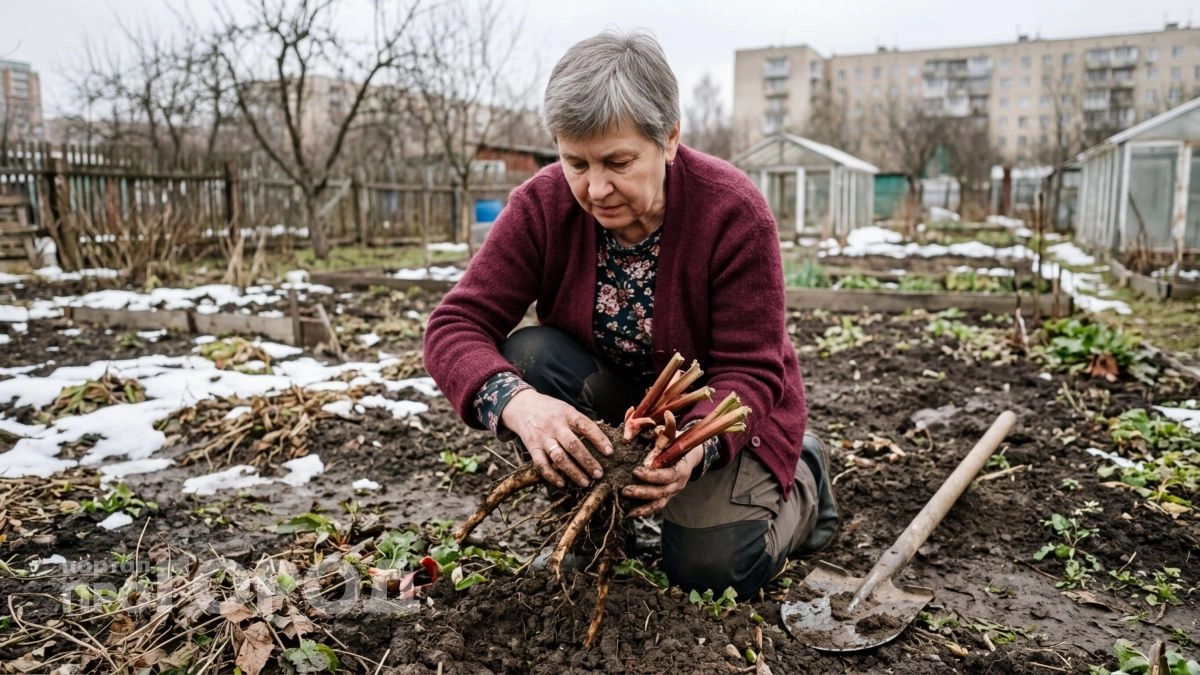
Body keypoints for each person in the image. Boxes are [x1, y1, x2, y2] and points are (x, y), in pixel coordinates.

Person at [423, 30, 838, 600]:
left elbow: (751, 370)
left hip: (718, 419)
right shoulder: (543, 205)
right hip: (619, 405)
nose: (595, 188)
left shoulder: (733, 212)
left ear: (669, 139)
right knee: (529, 357)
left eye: (618, 162)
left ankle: (807, 478)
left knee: (711, 570)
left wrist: (692, 448)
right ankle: (594, 525)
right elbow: (454, 326)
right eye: (576, 162)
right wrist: (517, 403)